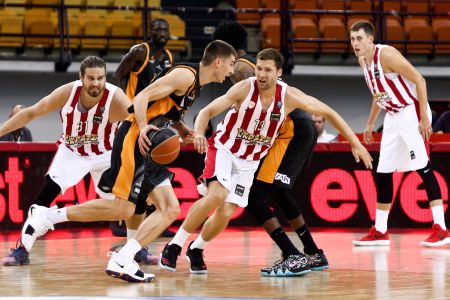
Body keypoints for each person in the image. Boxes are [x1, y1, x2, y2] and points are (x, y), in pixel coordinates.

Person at [21, 40, 237, 283]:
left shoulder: (194, 86)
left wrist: (181, 129)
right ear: (218, 61)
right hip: (134, 138)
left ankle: (124, 259)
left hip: (150, 144)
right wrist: (144, 126)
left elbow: (165, 110)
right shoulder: (185, 76)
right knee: (123, 209)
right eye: (230, 65)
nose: (231, 71)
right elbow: (143, 97)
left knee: (170, 209)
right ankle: (47, 217)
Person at [159, 48, 373, 275]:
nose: (261, 74)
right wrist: (200, 133)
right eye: (259, 68)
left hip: (249, 162)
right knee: (217, 195)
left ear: (279, 73)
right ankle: (174, 245)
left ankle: (197, 248)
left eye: (267, 70)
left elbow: (329, 112)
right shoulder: (244, 88)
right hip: (225, 148)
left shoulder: (289, 96)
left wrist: (355, 142)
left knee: (226, 211)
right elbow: (207, 111)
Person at [213, 21, 329, 277]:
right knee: (277, 192)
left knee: (256, 197)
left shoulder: (243, 69)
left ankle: (294, 254)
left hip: (292, 132)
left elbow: (251, 114)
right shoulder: (254, 65)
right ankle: (312, 252)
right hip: (294, 131)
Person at [1, 56, 131, 266]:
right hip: (72, 152)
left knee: (126, 205)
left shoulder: (115, 96)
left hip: (106, 154)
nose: (96, 83)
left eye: (100, 78)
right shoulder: (68, 92)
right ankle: (22, 249)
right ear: (81, 78)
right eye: (90, 78)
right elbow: (32, 112)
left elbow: (139, 120)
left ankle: (135, 248)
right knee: (43, 198)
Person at [349, 21, 449, 247]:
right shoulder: (362, 61)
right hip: (392, 116)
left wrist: (424, 116)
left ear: (370, 39)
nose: (355, 43)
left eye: (359, 38)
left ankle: (441, 229)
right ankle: (381, 231)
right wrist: (370, 123)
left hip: (411, 110)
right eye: (352, 39)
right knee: (383, 171)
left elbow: (419, 80)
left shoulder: (387, 54)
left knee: (423, 168)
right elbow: (379, 95)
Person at [110, 17, 175, 239]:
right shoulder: (140, 52)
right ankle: (120, 222)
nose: (163, 33)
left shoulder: (168, 58)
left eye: (166, 29)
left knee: (149, 174)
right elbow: (117, 75)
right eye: (159, 29)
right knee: (130, 177)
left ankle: (154, 221)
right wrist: (124, 106)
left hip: (154, 124)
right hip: (133, 122)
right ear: (150, 31)